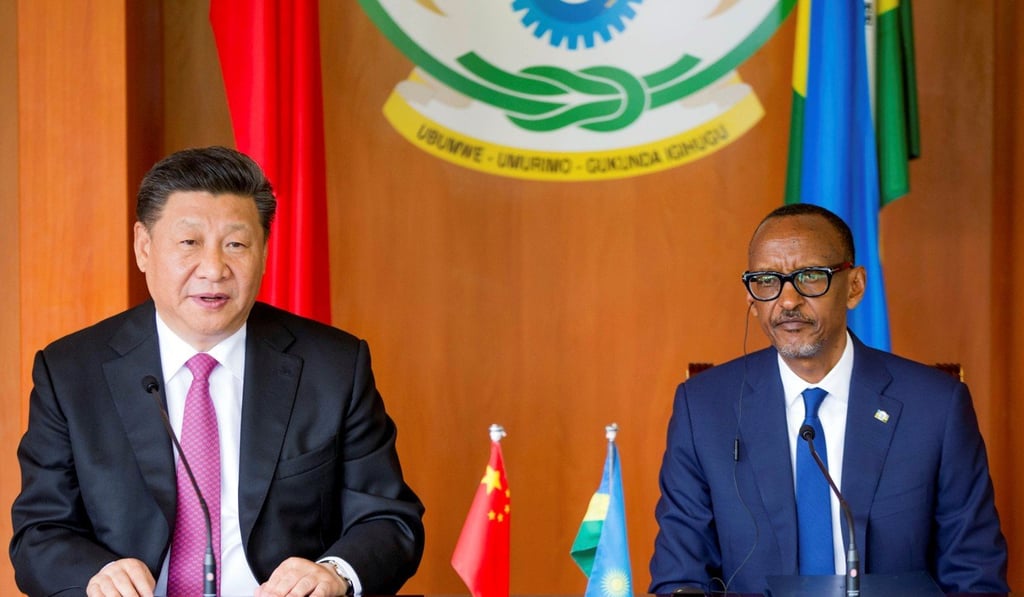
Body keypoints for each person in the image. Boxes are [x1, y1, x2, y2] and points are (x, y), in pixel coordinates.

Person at [10, 146, 425, 597]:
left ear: (263, 253)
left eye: (236, 245)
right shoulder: (71, 372)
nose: (213, 269)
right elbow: (40, 532)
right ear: (144, 247)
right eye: (189, 243)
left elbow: (389, 519)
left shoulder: (333, 367)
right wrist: (97, 575)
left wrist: (334, 573)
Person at [649, 203, 1008, 594]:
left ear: (854, 286)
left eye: (809, 276)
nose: (787, 301)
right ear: (751, 298)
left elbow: (974, 577)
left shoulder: (936, 408)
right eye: (767, 280)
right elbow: (681, 578)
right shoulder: (704, 410)